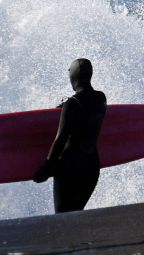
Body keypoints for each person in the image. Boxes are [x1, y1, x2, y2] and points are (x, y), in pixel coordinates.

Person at [33, 58, 107, 213]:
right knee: (77, 213)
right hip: (92, 167)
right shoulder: (101, 98)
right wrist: (66, 106)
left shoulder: (72, 104)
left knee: (63, 217)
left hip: (70, 168)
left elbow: (60, 140)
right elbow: (86, 110)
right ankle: (85, 238)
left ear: (73, 76)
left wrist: (46, 169)